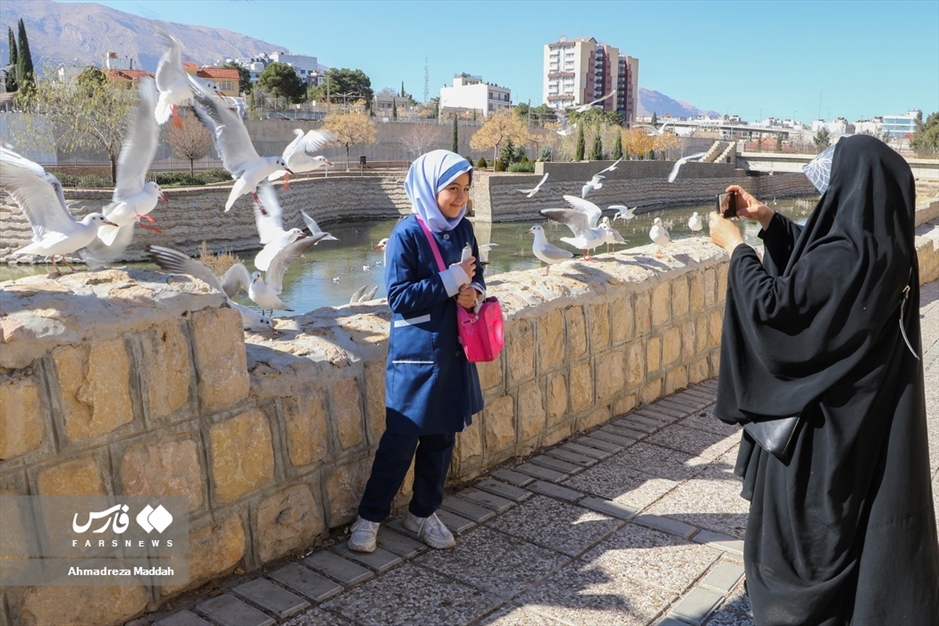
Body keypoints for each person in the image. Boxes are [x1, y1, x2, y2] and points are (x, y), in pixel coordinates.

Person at [708, 134, 939, 625]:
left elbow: (779, 311)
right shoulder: (883, 250)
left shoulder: (844, 256)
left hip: (818, 434)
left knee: (802, 548)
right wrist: (769, 222)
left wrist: (736, 249)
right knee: (847, 528)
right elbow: (823, 282)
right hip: (858, 420)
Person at [348, 150, 485, 553]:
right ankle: (369, 517)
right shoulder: (407, 234)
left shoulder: (464, 229)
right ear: (429, 188)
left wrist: (472, 295)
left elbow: (479, 277)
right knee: (401, 439)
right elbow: (399, 298)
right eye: (452, 189)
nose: (460, 198)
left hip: (452, 352)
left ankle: (423, 513)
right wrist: (450, 280)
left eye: (465, 189)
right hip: (416, 355)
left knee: (442, 439)